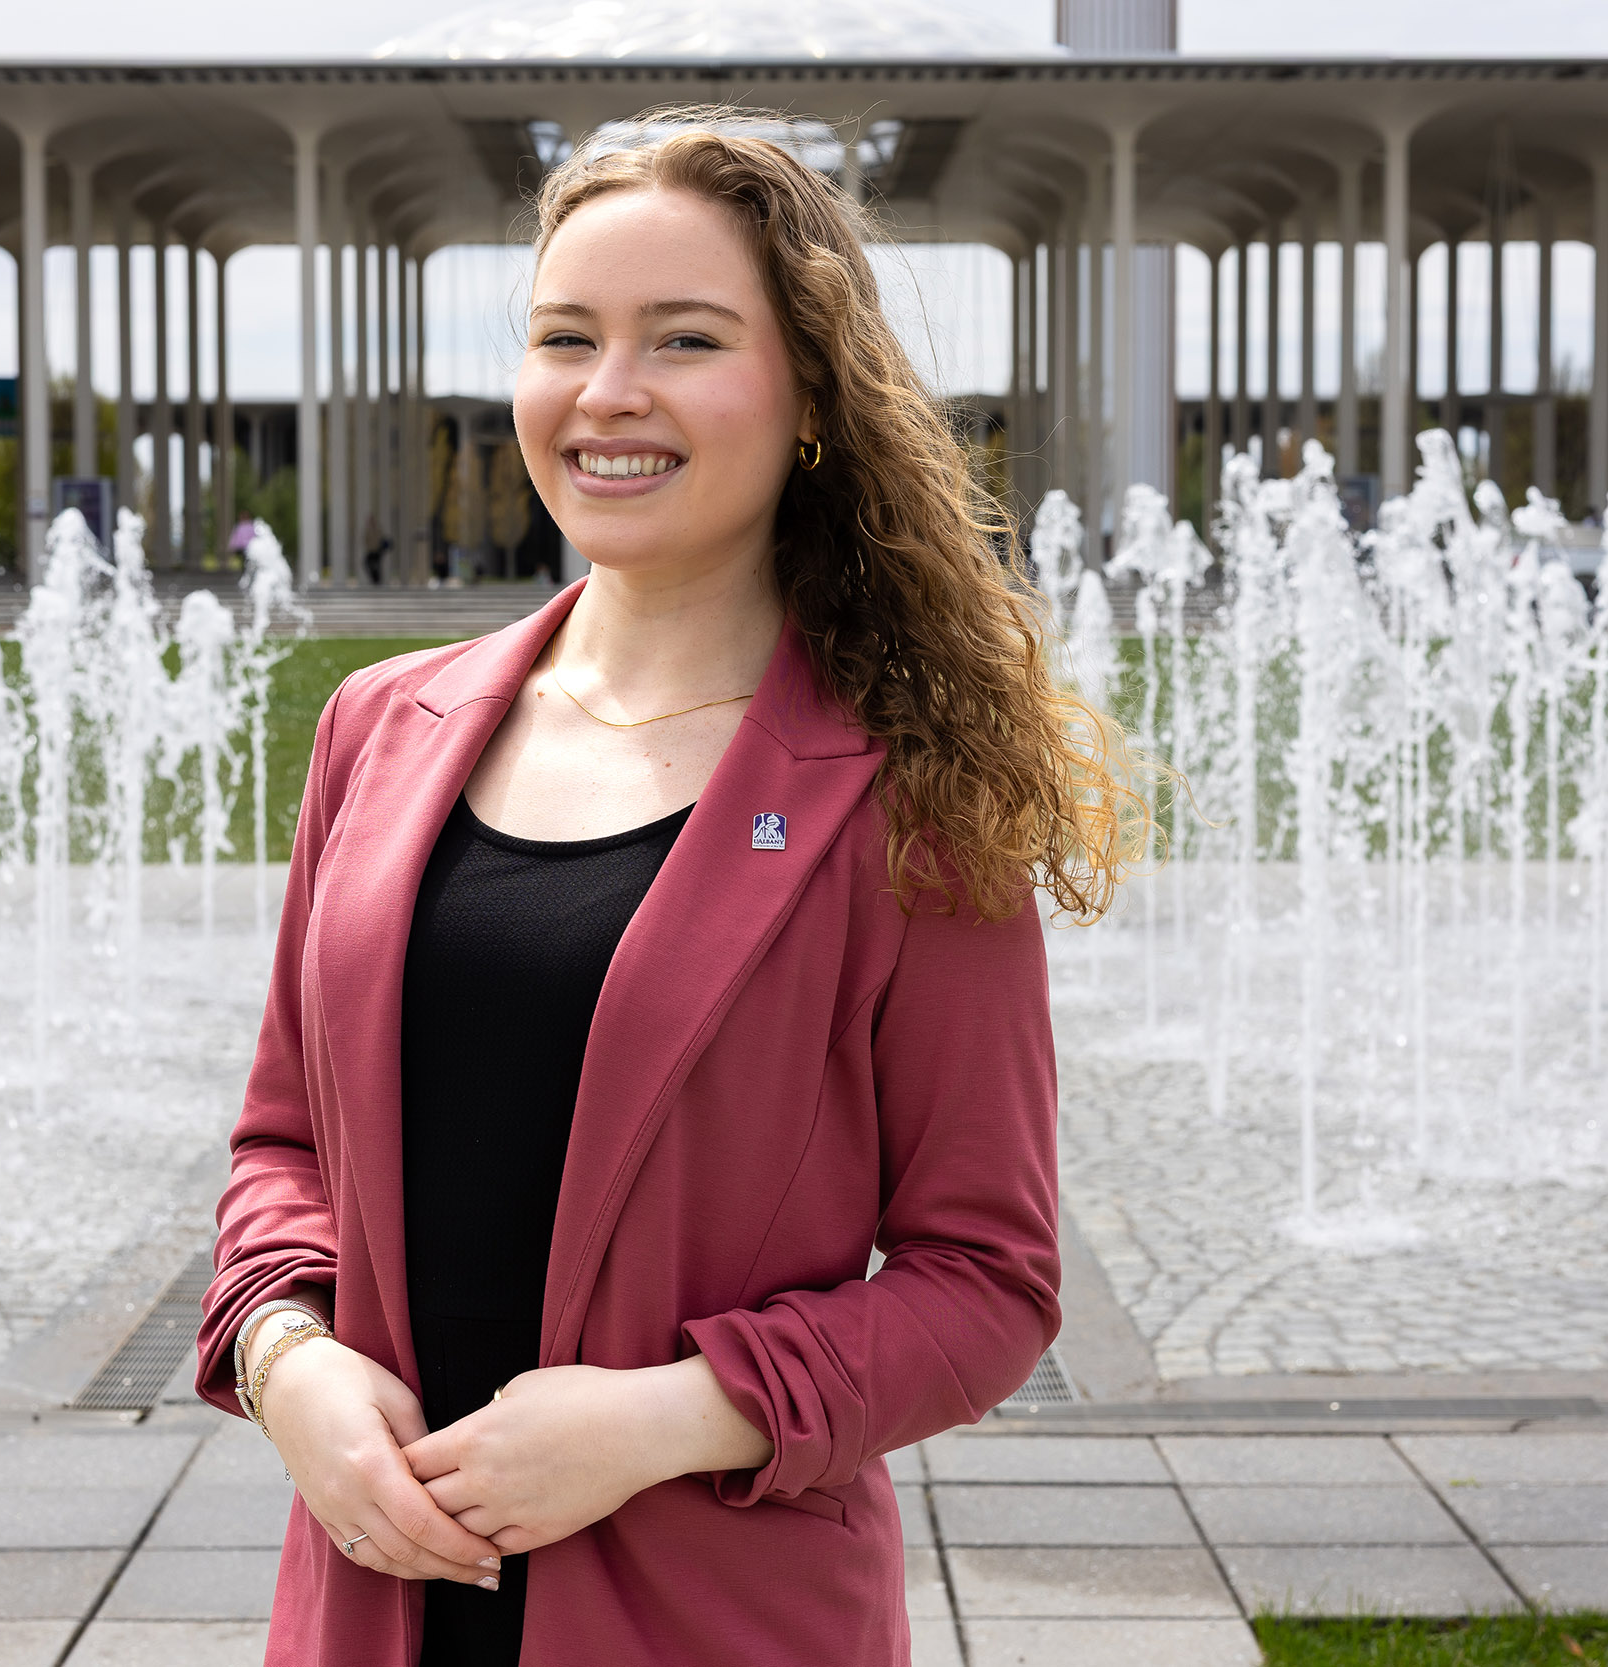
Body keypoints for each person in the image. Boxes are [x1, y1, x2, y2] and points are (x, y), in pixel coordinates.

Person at [197, 108, 1147, 1667]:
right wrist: (287, 1360)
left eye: (685, 339)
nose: (607, 393)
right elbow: (283, 1142)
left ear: (811, 398)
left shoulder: (907, 789)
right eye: (566, 336)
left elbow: (987, 1281)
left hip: (715, 1612)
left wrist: (663, 1419)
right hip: (371, 1595)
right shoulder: (378, 728)